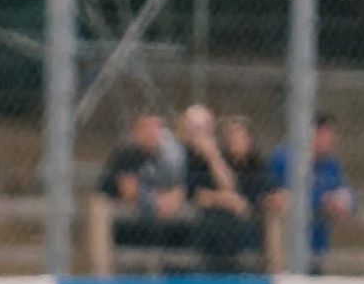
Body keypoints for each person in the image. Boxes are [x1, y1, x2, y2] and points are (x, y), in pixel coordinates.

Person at [267, 114, 355, 267]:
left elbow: (347, 193)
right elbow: (278, 195)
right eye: (321, 134)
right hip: (286, 240)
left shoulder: (331, 164)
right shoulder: (284, 157)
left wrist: (344, 200)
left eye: (330, 136)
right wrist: (321, 199)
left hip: (317, 240)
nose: (326, 141)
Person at [178, 105, 257, 272]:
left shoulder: (217, 155)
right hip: (187, 219)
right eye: (194, 129)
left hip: (219, 216)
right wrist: (225, 199)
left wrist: (213, 156)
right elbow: (197, 195)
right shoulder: (180, 154)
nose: (199, 135)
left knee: (227, 223)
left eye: (204, 129)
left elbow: (229, 186)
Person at [98, 112, 185, 246]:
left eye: (156, 128)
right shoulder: (127, 153)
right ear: (137, 132)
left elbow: (179, 191)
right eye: (146, 127)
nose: (151, 133)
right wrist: (160, 199)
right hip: (117, 214)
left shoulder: (166, 157)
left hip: (151, 214)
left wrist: (170, 199)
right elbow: (129, 192)